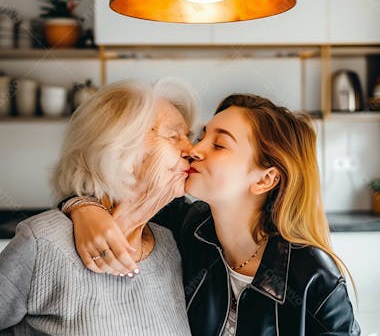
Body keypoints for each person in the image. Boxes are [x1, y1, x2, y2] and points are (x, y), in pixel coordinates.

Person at [58, 93, 360, 336]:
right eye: (203, 135)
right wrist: (83, 207)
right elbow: (105, 185)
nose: (194, 149)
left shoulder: (315, 280)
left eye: (219, 144)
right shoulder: (186, 227)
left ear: (265, 180)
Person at [0, 79, 198, 335]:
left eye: (189, 137)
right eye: (173, 136)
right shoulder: (43, 243)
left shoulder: (170, 244)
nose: (191, 150)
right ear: (121, 147)